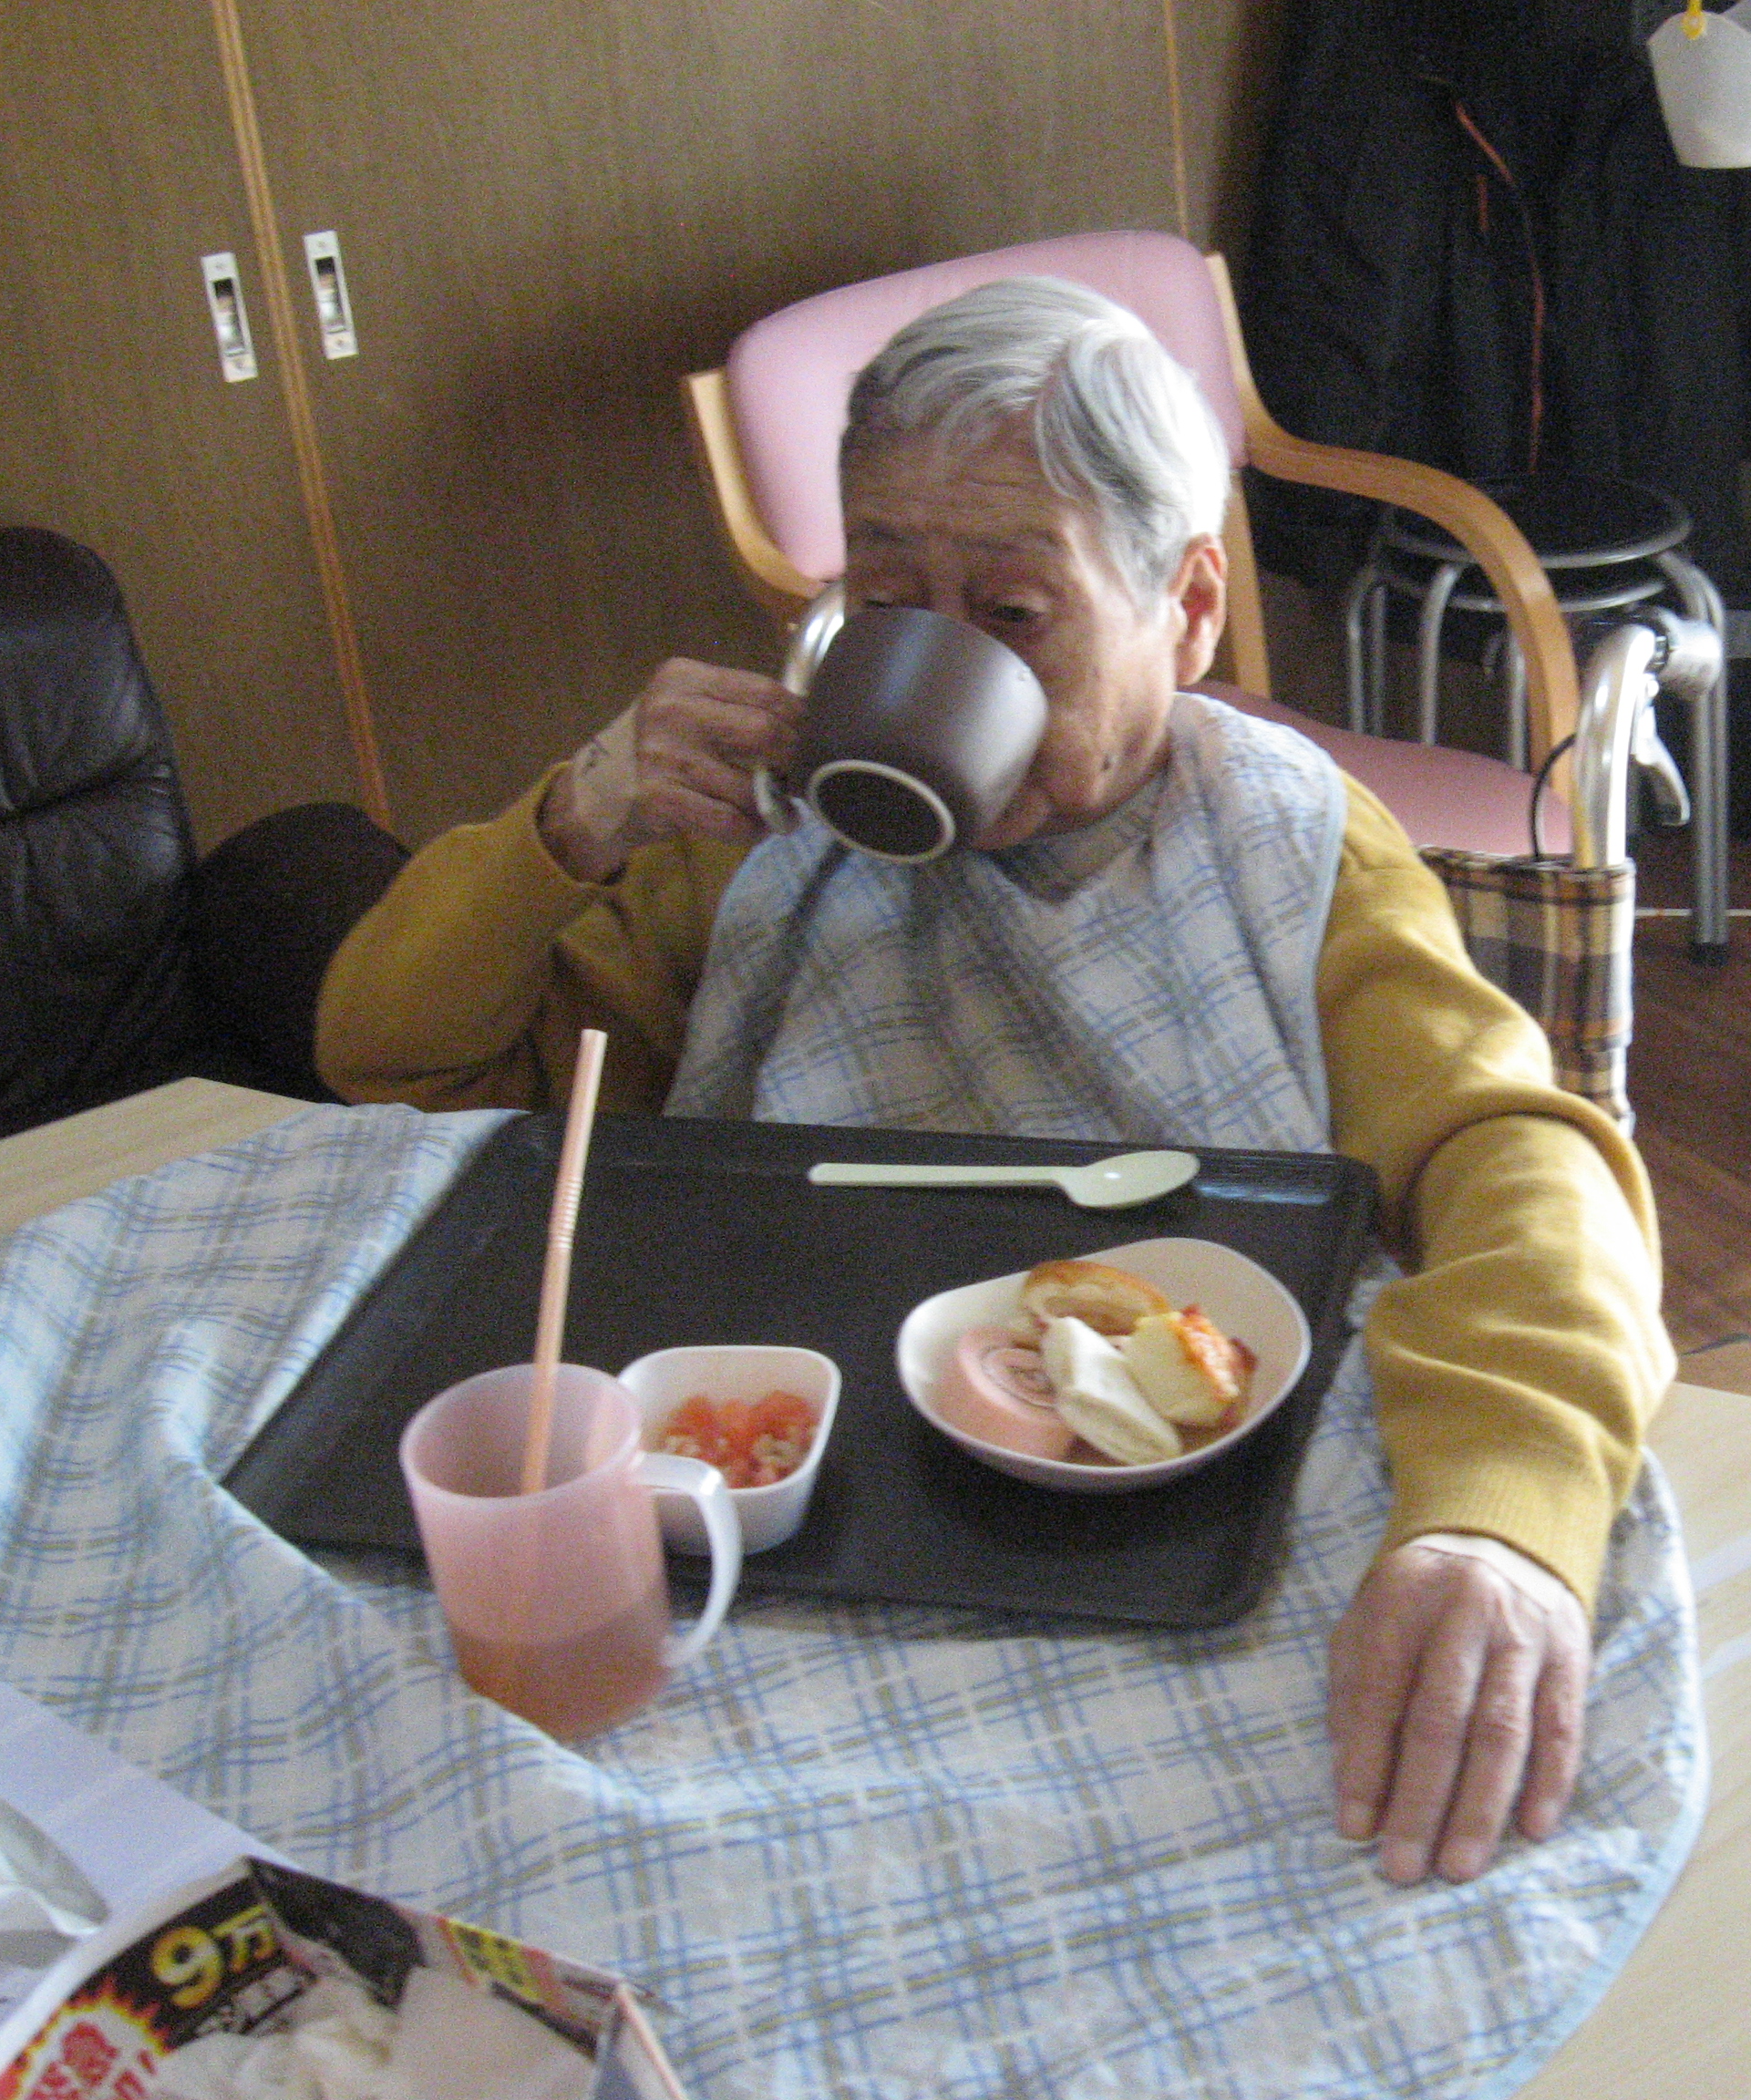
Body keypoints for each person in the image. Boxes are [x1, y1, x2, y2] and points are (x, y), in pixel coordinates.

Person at [319, 276, 1674, 1886]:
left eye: (1016, 614)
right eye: (888, 601)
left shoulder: (1282, 842)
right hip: (796, 1516)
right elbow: (393, 1063)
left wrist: (1497, 1510)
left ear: (1186, 607)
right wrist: (568, 826)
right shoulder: (767, 835)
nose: (939, 663)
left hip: (1167, 1515)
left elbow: (1524, 1166)